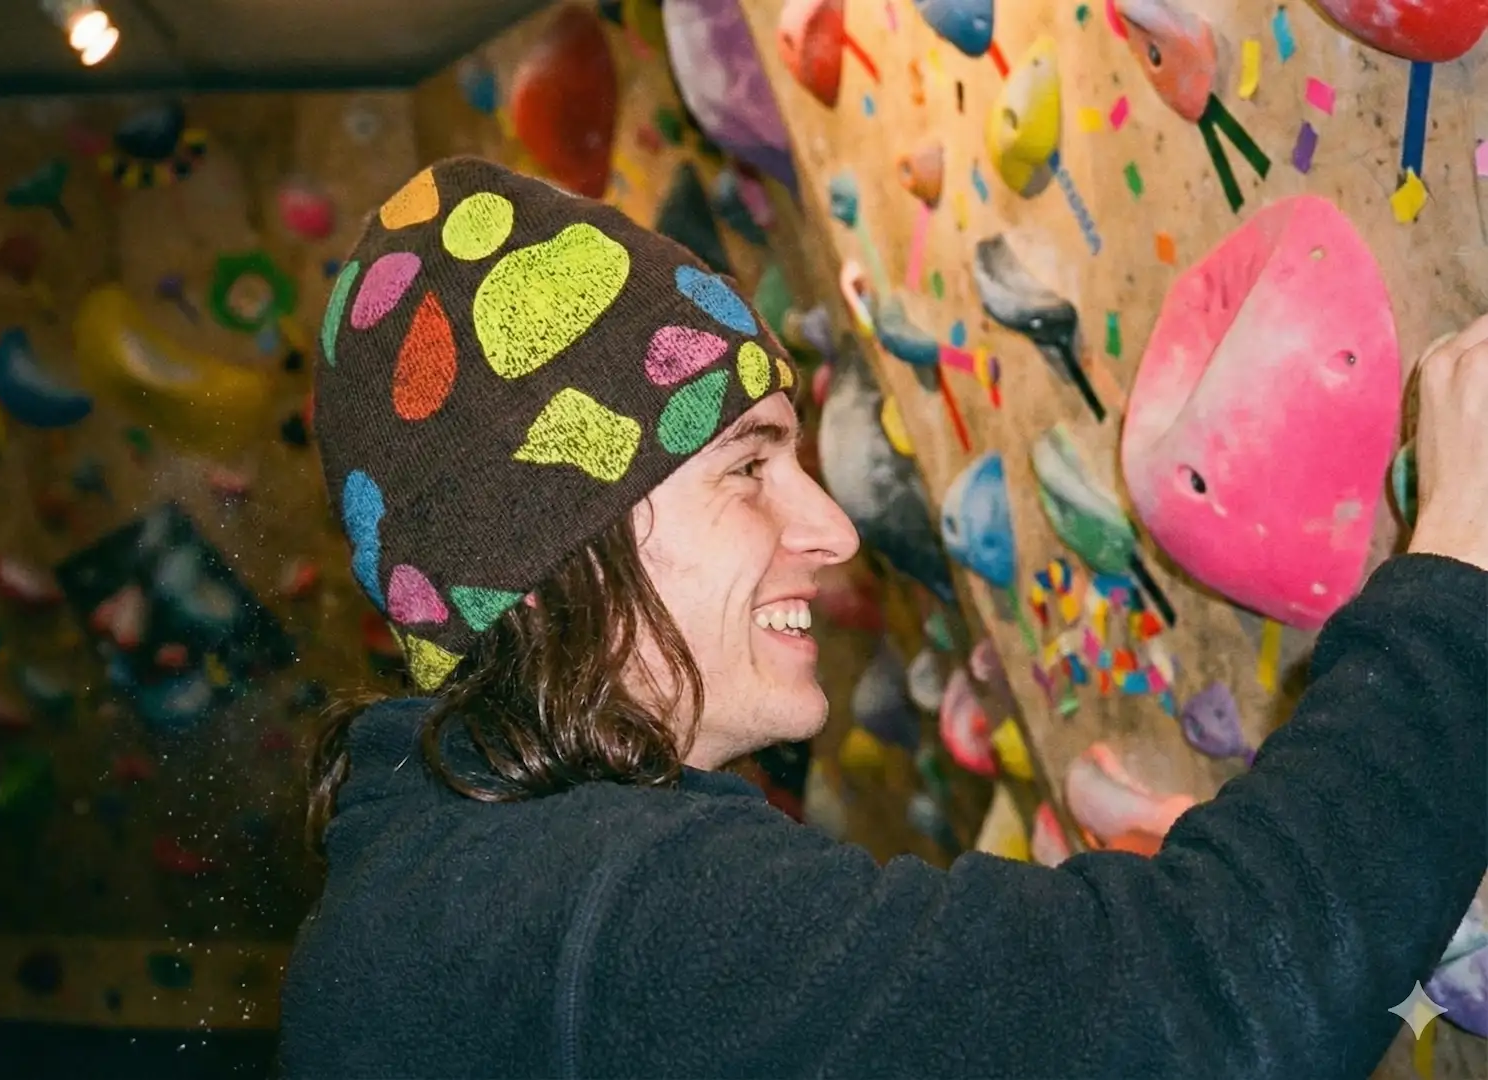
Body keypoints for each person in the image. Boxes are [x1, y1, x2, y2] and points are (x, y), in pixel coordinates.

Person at [278, 156, 1488, 1079]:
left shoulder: (441, 895)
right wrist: (1462, 563)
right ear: (544, 547)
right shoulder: (600, 913)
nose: (833, 530)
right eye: (748, 468)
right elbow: (1217, 998)